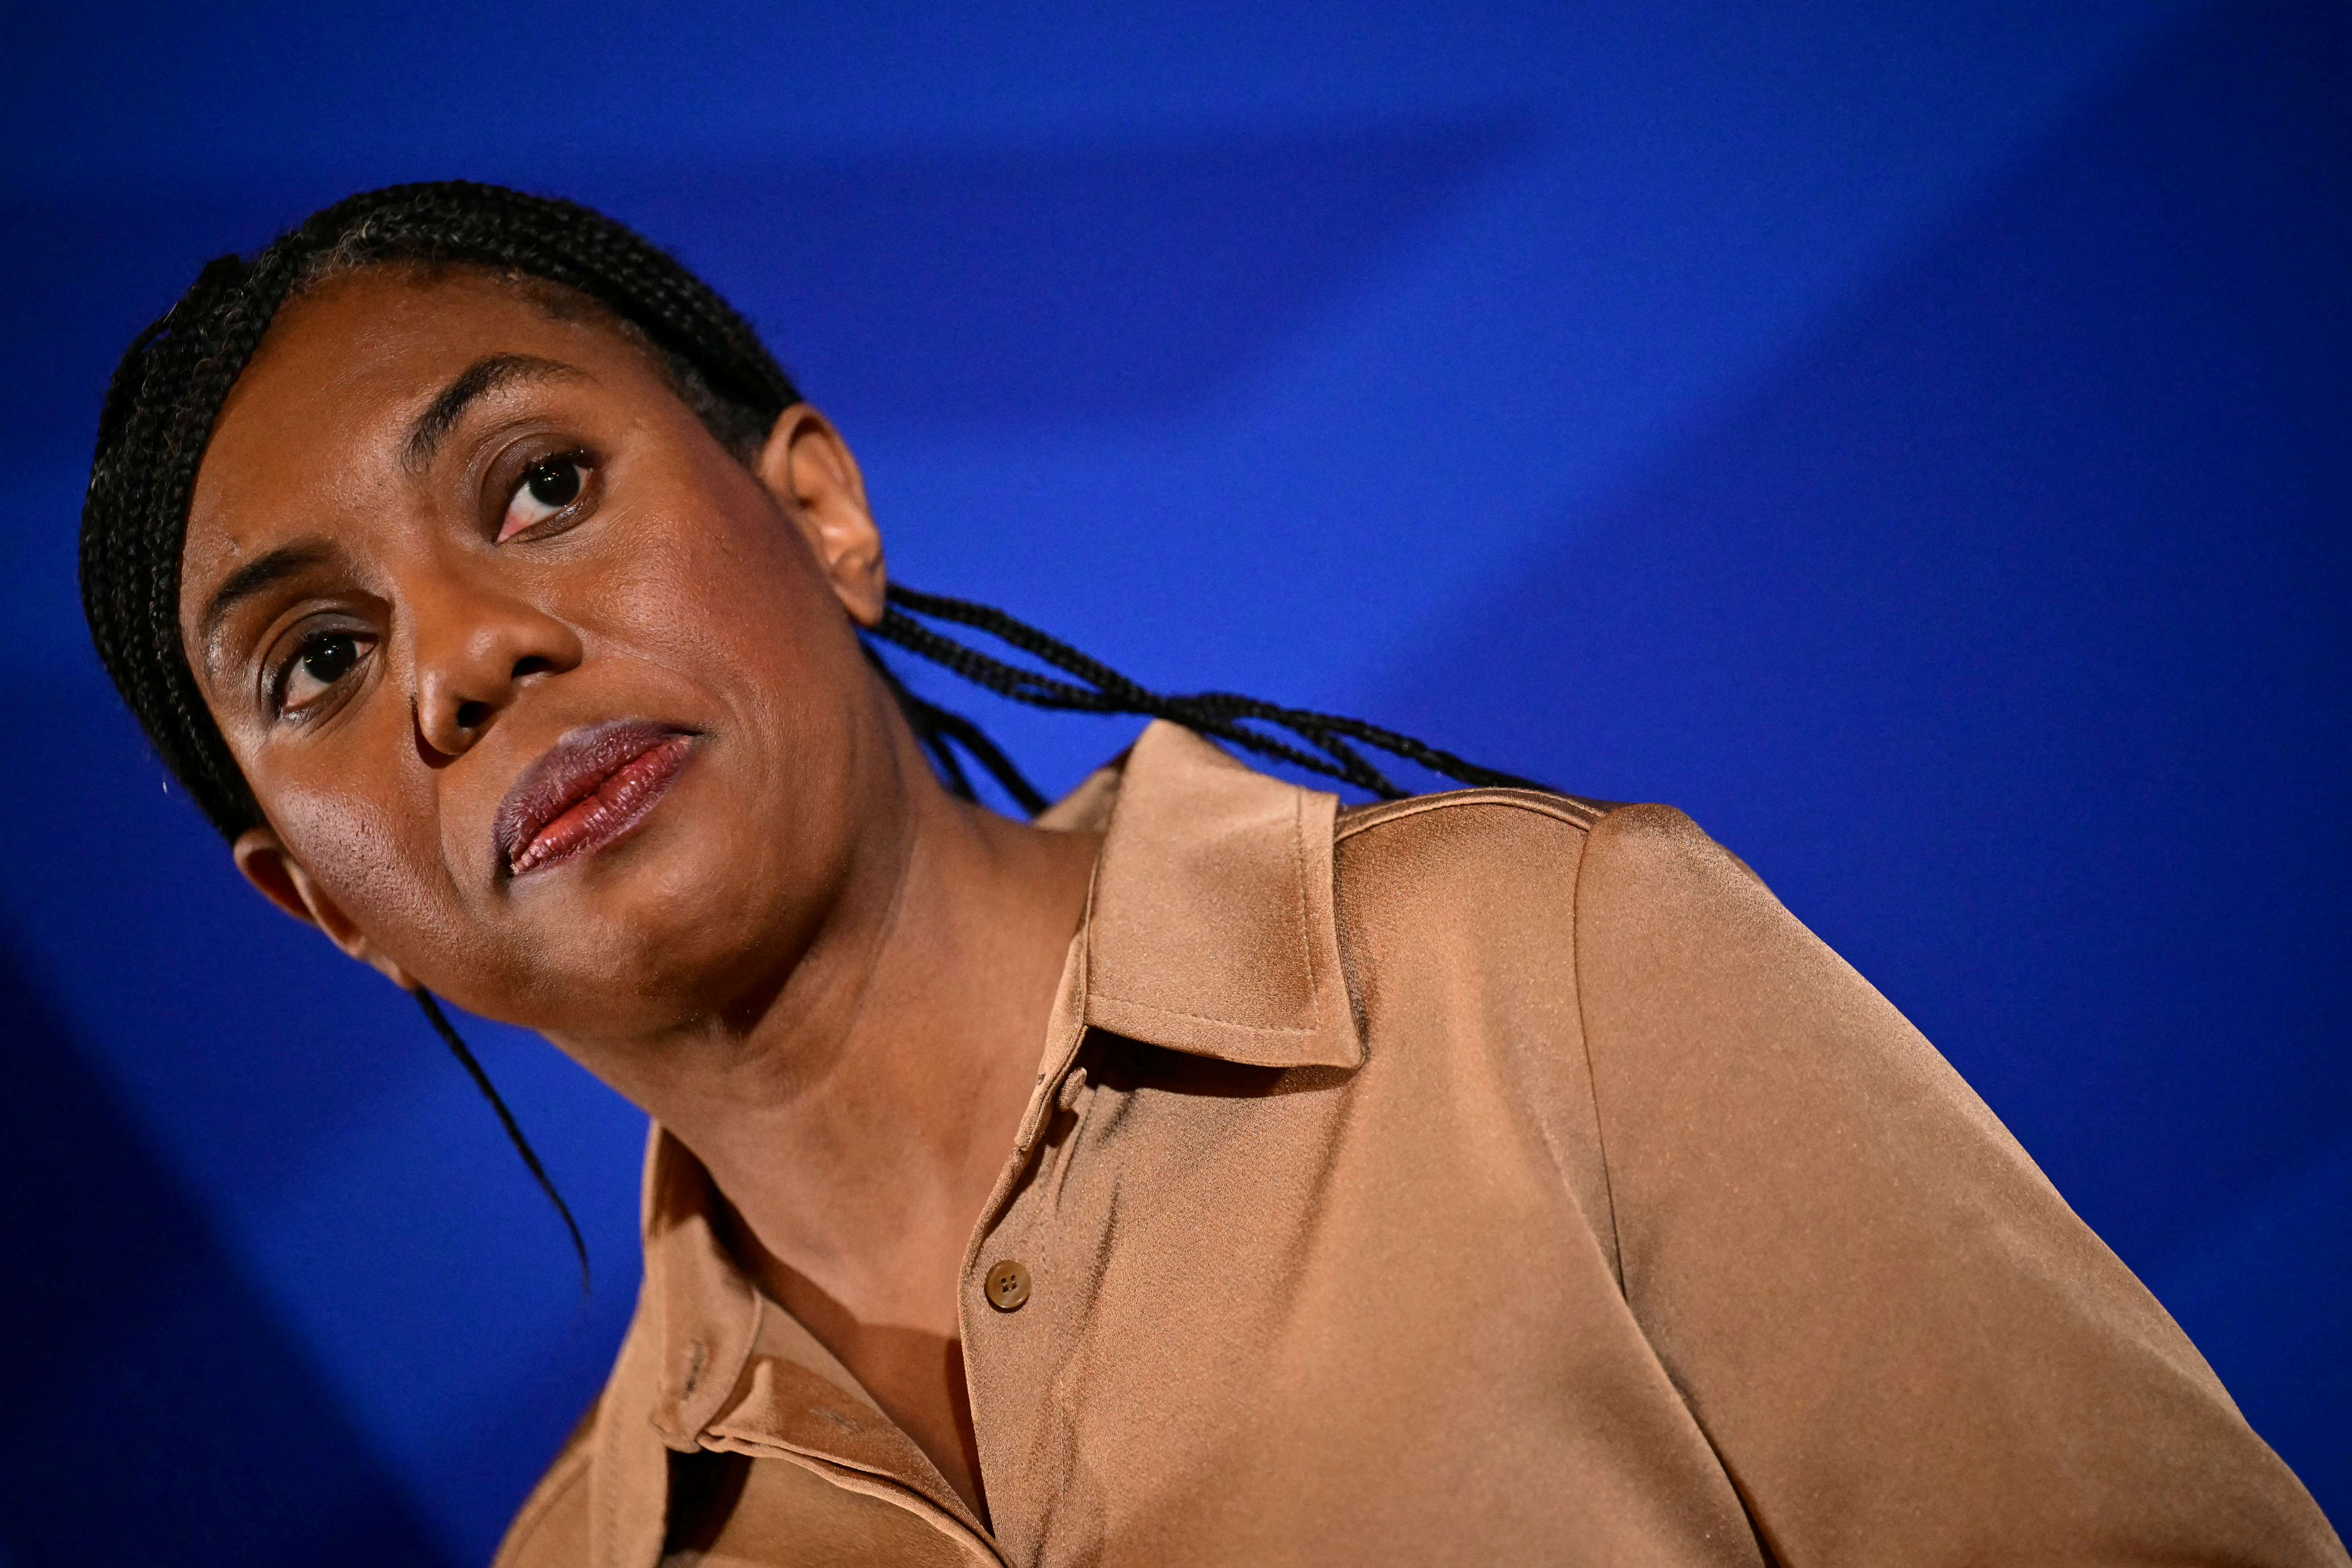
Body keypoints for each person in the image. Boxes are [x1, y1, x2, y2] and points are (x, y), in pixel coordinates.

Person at [79, 181, 2343, 1567]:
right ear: (332, 907)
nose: (468, 653)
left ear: (827, 514)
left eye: (543, 481)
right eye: (325, 656)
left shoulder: (1542, 967)